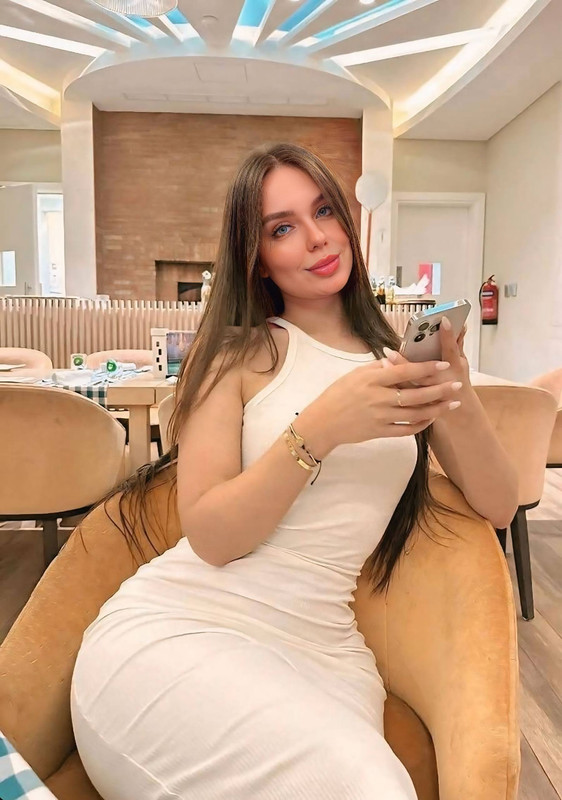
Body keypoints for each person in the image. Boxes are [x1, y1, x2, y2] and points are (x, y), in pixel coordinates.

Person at [70, 143, 518, 800]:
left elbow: (500, 504)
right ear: (256, 256)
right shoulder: (235, 355)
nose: (317, 238)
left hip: (326, 652)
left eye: (325, 211)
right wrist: (318, 429)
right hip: (184, 628)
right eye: (283, 228)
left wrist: (458, 389)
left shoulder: (396, 363)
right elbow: (212, 538)